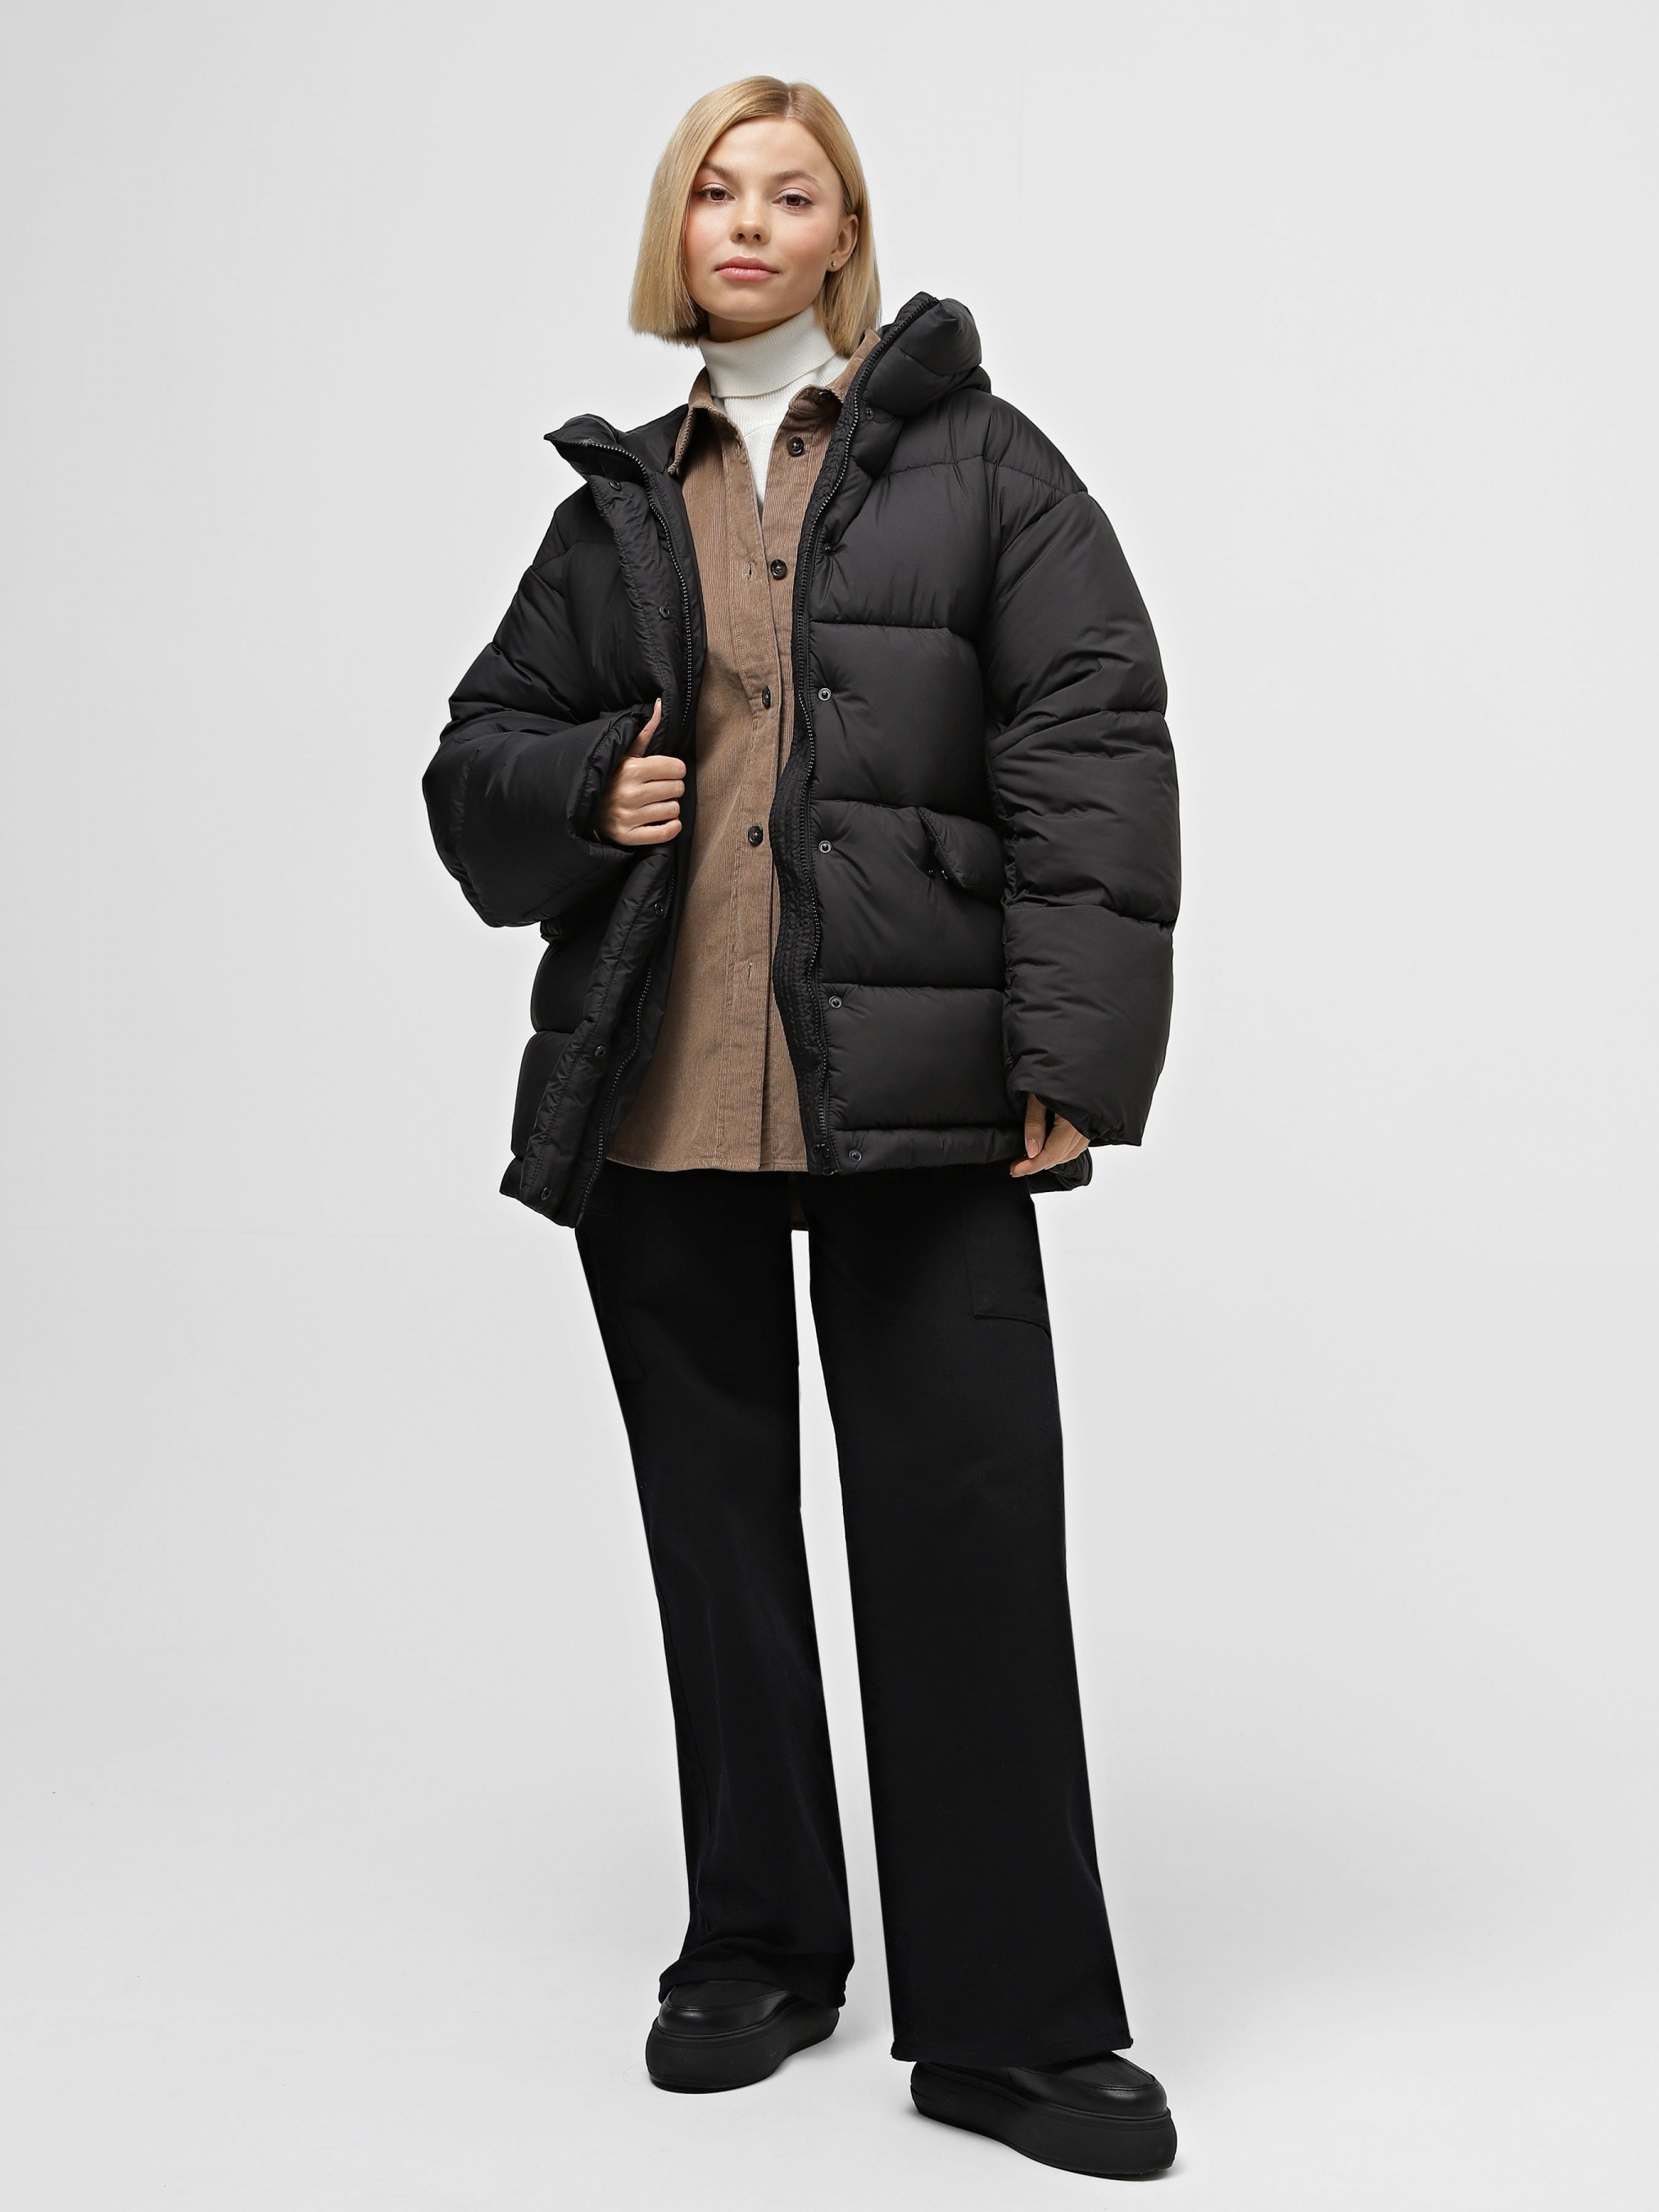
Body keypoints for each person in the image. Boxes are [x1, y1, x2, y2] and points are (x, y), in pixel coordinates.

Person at [422, 75, 1181, 2183]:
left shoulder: (986, 469)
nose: (746, 222)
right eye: (714, 192)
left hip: (923, 1097)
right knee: (718, 1549)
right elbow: (472, 764)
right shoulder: (614, 508)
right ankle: (758, 1947)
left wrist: (1067, 1054)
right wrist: (581, 790)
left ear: (844, 234)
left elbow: (1091, 746)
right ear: (677, 235)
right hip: (662, 1089)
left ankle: (1010, 2027)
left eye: (790, 192)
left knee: (965, 1541)